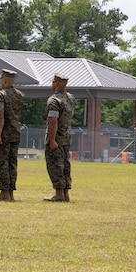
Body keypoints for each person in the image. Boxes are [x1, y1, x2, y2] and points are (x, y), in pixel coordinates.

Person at [0, 69, 25, 201]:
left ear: (4, 80)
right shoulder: (20, 95)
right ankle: (11, 191)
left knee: (2, 162)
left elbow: (0, 117)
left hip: (4, 132)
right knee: (12, 162)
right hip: (15, 131)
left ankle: (4, 192)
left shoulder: (1, 95)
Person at [44, 73, 75, 202]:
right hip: (66, 136)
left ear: (56, 84)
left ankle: (58, 193)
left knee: (55, 165)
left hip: (56, 137)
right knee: (65, 164)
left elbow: (53, 121)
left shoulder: (54, 100)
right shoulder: (70, 98)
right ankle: (65, 193)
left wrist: (52, 140)